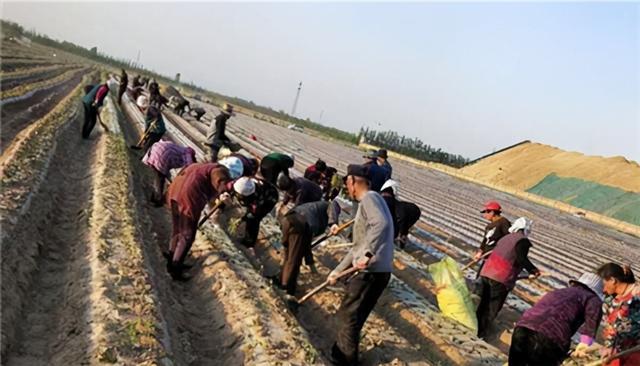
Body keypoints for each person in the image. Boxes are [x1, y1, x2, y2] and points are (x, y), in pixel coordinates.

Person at [328, 164, 394, 365]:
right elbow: (357, 246)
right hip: (378, 271)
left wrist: (367, 253)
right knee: (353, 318)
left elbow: (380, 225)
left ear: (352, 182)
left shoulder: (369, 199)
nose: (347, 189)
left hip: (370, 272)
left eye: (347, 184)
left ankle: (346, 360)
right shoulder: (374, 201)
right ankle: (339, 354)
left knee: (348, 316)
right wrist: (337, 271)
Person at [509, 272, 603, 365]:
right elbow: (591, 324)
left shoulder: (560, 291)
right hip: (550, 338)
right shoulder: (592, 299)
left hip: (523, 328)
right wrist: (583, 346)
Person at [165, 162, 233, 280]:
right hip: (187, 198)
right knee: (187, 235)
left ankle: (172, 258)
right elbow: (220, 182)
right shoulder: (220, 172)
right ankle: (175, 269)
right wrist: (224, 193)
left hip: (175, 193)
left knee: (177, 229)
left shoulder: (203, 166)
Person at [476, 217, 541, 339]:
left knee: (484, 303)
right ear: (526, 229)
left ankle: (476, 326)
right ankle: (482, 333)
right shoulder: (522, 241)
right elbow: (521, 258)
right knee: (493, 306)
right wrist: (533, 270)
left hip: (487, 272)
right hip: (500, 276)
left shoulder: (506, 238)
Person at [278, 199, 341, 295]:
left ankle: (282, 281)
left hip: (288, 220)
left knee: (288, 257)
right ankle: (287, 289)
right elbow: (333, 205)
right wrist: (333, 223)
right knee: (294, 260)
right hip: (298, 225)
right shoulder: (330, 205)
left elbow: (306, 246)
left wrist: (310, 263)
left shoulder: (314, 209)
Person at [596, 263, 639, 366]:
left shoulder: (636, 295)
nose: (603, 290)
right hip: (617, 353)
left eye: (605, 285)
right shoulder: (611, 301)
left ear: (613, 280)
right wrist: (608, 346)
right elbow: (610, 327)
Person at [230, 177, 279, 251]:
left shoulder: (257, 197)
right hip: (261, 193)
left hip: (269, 199)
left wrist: (242, 219)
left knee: (254, 220)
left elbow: (253, 213)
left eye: (240, 195)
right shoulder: (241, 184)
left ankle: (249, 242)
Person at [142, 141, 196, 206]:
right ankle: (157, 199)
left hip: (157, 149)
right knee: (160, 179)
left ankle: (154, 195)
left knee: (158, 176)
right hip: (163, 155)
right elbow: (190, 167)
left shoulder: (182, 149)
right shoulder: (188, 154)